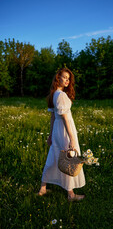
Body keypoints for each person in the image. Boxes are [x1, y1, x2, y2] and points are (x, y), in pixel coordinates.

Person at [38, 67, 86, 201]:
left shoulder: (53, 95)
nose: (67, 80)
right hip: (65, 130)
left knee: (54, 157)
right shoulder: (61, 95)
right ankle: (70, 194)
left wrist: (50, 134)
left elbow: (53, 118)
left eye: (68, 78)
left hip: (57, 131)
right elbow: (64, 118)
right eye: (64, 77)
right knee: (68, 159)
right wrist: (71, 138)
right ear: (57, 78)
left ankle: (43, 187)